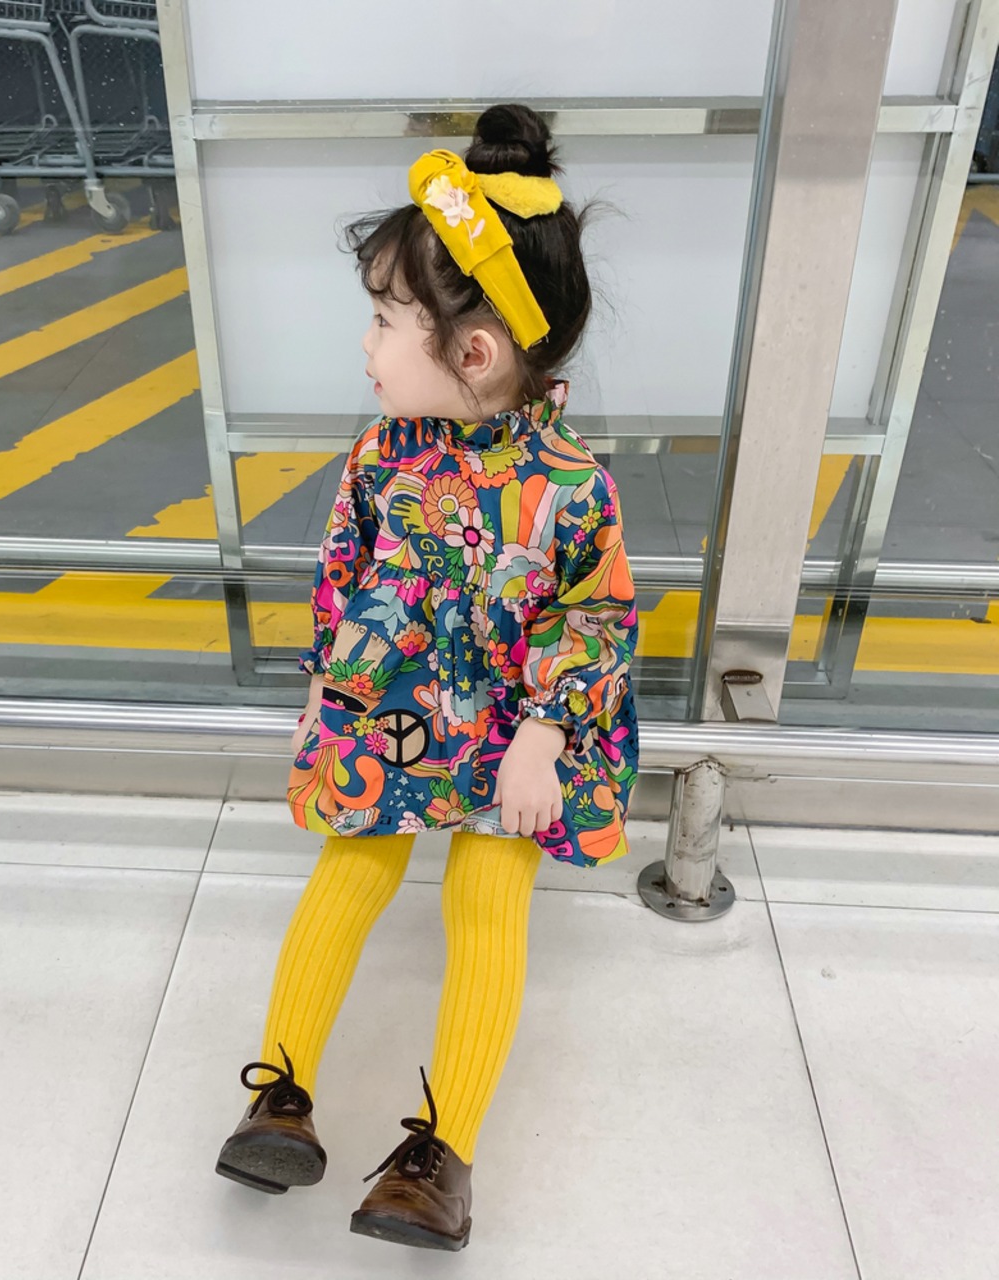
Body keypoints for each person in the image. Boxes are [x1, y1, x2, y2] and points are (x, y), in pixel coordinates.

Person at [215, 103, 639, 1253]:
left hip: (510, 738)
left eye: (382, 318)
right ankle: (280, 1093)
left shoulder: (571, 486)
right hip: (391, 707)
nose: (365, 344)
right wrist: (323, 689)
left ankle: (438, 1156)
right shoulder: (376, 457)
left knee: (486, 896)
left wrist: (545, 735)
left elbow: (592, 615)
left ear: (471, 352)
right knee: (348, 866)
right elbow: (341, 571)